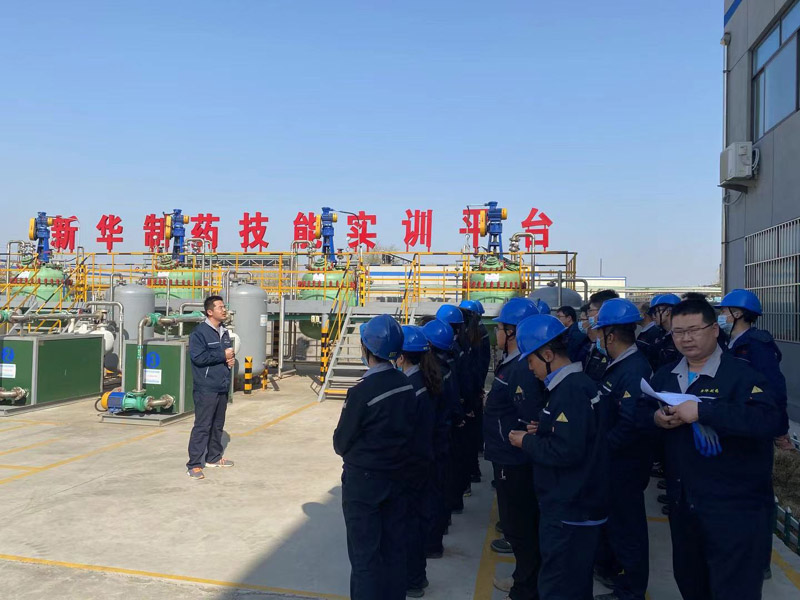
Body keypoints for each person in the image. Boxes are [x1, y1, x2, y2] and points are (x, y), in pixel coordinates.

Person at [641, 297, 781, 600]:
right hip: (684, 505)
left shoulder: (742, 376)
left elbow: (770, 420)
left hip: (734, 508)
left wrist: (705, 411)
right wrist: (656, 418)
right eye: (679, 332)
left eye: (694, 330)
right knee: (691, 582)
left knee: (734, 588)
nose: (686, 339)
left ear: (715, 330)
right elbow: (640, 414)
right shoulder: (666, 375)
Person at [509, 314, 609, 600]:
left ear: (548, 355)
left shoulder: (570, 391)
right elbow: (579, 434)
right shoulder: (575, 385)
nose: (530, 368)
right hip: (576, 503)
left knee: (559, 586)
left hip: (570, 507)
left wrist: (526, 441)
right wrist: (545, 428)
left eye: (531, 361)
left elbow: (567, 451)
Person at [333, 314, 417, 600]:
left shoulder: (361, 392)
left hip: (365, 482)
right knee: (394, 550)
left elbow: (341, 442)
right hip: (398, 475)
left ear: (366, 348)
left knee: (365, 558)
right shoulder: (405, 383)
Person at [591, 299, 653, 600]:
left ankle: (630, 591)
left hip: (625, 464)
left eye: (600, 332)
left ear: (611, 336)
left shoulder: (633, 369)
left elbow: (629, 424)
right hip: (615, 460)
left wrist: (600, 451)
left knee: (628, 528)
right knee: (615, 523)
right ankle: (612, 570)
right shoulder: (619, 366)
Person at [397, 325, 440, 598]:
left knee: (408, 523)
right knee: (418, 518)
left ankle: (412, 579)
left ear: (402, 357)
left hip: (412, 464)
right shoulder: (426, 379)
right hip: (424, 458)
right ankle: (418, 575)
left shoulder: (410, 388)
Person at [718, 289, 790, 447]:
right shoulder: (726, 342)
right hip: (730, 414)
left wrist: (780, 428)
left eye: (723, 311)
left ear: (737, 314)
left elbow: (775, 385)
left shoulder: (757, 344)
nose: (720, 316)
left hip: (751, 416)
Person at [421, 317, 460, 558]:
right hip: (444, 438)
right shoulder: (446, 367)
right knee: (440, 488)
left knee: (430, 494)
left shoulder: (428, 375)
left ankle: (431, 543)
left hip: (431, 443)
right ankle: (438, 534)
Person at [186, 295, 235, 480]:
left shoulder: (224, 331)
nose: (224, 310)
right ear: (209, 312)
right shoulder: (199, 333)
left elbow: (226, 354)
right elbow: (198, 358)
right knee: (203, 425)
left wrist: (229, 360)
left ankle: (213, 457)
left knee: (217, 424)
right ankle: (194, 464)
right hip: (206, 387)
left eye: (224, 307)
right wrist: (223, 355)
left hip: (222, 384)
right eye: (220, 307)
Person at [436, 304, 475, 511]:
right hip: (456, 412)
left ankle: (454, 500)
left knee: (451, 462)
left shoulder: (445, 357)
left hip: (449, 418)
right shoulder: (457, 347)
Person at [459, 299, 490, 484]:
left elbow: (469, 369)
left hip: (468, 392)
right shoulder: (479, 334)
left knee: (466, 436)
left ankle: (470, 472)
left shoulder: (468, 339)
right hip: (475, 388)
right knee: (473, 431)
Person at [583, 290, 619, 382]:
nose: (588, 315)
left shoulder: (614, 354)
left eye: (590, 310)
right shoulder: (597, 345)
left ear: (602, 311)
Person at [649, 294, 681, 370]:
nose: (653, 317)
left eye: (655, 312)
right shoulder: (660, 334)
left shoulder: (680, 336)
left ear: (667, 311)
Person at [635, 297, 662, 369]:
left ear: (644, 315)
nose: (635, 316)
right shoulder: (649, 331)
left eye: (637, 313)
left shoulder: (654, 332)